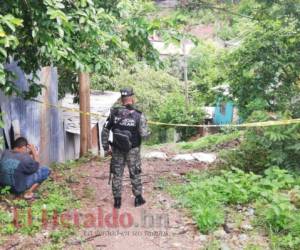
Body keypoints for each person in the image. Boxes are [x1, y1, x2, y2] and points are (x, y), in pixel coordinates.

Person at [101, 87, 150, 209]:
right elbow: (145, 134)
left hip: (117, 149)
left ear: (121, 99)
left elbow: (105, 131)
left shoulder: (114, 113)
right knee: (135, 172)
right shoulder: (139, 115)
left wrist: (106, 148)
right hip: (133, 150)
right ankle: (138, 199)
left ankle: (117, 201)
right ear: (132, 99)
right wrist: (148, 131)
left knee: (117, 174)